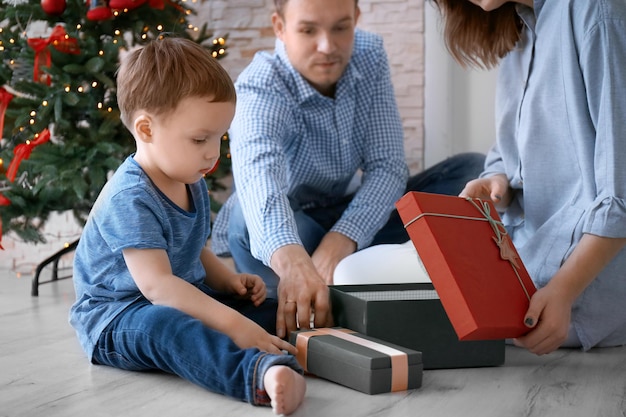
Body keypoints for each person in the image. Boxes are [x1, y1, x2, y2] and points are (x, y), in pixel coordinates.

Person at [211, 0, 485, 339]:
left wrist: (339, 242)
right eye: (308, 30)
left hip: (348, 215)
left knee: (474, 170)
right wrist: (297, 262)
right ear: (279, 27)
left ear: (355, 19)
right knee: (244, 215)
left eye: (340, 28)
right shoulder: (260, 86)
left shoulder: (369, 54)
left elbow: (386, 166)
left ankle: (334, 279)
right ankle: (313, 285)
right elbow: (260, 182)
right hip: (292, 227)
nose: (327, 47)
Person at [68, 37, 305, 415]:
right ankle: (257, 375)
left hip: (176, 295)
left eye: (219, 137)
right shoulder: (129, 197)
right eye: (200, 139)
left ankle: (315, 346)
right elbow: (158, 286)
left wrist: (226, 281)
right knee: (169, 327)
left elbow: (192, 246)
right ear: (146, 129)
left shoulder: (189, 175)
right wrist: (231, 322)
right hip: (120, 317)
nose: (213, 152)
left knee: (267, 310)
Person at [430, 0, 626, 355]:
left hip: (580, 292)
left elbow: (621, 191)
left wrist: (564, 289)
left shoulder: (596, 11)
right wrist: (497, 183)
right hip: (524, 264)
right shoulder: (517, 27)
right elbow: (509, 154)